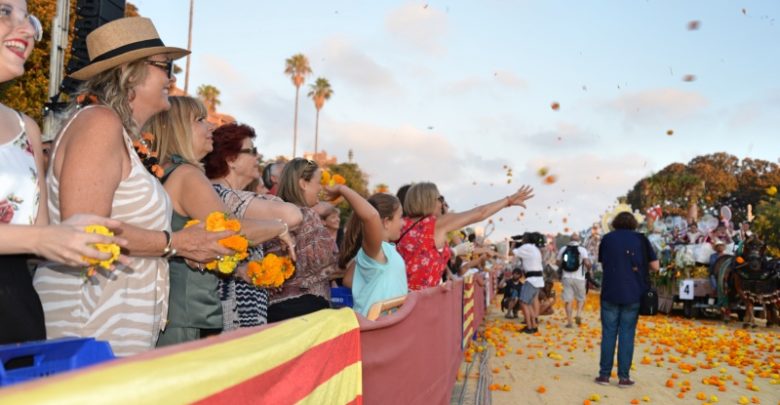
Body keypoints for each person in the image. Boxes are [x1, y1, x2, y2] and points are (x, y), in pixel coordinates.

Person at [33, 17, 232, 356]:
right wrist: (176, 243)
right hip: (89, 321)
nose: (171, 78)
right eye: (163, 67)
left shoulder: (117, 133)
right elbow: (87, 231)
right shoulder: (98, 123)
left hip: (113, 322)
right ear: (130, 72)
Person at [0, 1, 128, 344]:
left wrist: (73, 237)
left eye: (28, 18)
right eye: (3, 11)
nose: (27, 30)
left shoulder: (24, 127)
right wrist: (42, 238)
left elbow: (38, 235)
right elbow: (37, 237)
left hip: (17, 317)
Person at [145, 97, 297, 345]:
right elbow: (231, 232)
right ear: (179, 128)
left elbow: (196, 244)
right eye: (199, 120)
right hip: (188, 314)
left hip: (175, 310)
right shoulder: (187, 175)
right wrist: (279, 227)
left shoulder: (166, 171)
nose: (210, 127)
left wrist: (239, 270)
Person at [204, 123, 302, 330]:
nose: (258, 157)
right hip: (228, 317)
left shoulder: (227, 195)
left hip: (242, 310)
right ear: (231, 159)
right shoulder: (219, 196)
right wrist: (279, 228)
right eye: (252, 151)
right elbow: (291, 215)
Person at [397, 182, 534, 291]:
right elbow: (480, 213)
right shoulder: (436, 224)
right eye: (440, 199)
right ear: (428, 201)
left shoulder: (401, 224)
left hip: (399, 296)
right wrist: (508, 201)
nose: (442, 204)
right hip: (422, 301)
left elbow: (423, 255)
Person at [268, 158, 338, 322]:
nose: (321, 188)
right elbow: (327, 263)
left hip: (274, 309)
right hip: (308, 307)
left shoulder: (270, 214)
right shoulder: (308, 215)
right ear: (303, 183)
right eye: (318, 182)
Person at [595, 212, 659, 388]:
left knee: (608, 333)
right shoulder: (641, 239)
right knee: (627, 334)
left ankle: (604, 376)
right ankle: (624, 377)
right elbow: (655, 266)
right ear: (633, 224)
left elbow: (603, 263)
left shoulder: (607, 239)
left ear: (615, 223)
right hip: (633, 292)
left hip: (610, 291)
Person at [336, 192, 406, 317]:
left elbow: (348, 280)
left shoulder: (384, 251)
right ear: (386, 222)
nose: (404, 223)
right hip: (375, 329)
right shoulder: (376, 252)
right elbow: (371, 217)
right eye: (400, 217)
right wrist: (343, 189)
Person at [557, 233, 592, 328]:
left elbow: (558, 262)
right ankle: (578, 314)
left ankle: (569, 322)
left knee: (568, 300)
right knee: (581, 298)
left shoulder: (563, 249)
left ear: (570, 240)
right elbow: (586, 262)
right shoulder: (582, 250)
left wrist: (564, 266)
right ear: (578, 240)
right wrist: (589, 269)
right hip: (579, 278)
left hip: (566, 277)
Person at [513, 232, 545, 333]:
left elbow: (511, 253)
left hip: (531, 280)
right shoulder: (535, 248)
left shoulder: (527, 247)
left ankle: (530, 327)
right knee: (528, 303)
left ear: (526, 239)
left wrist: (513, 243)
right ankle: (533, 326)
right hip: (537, 279)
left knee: (523, 302)